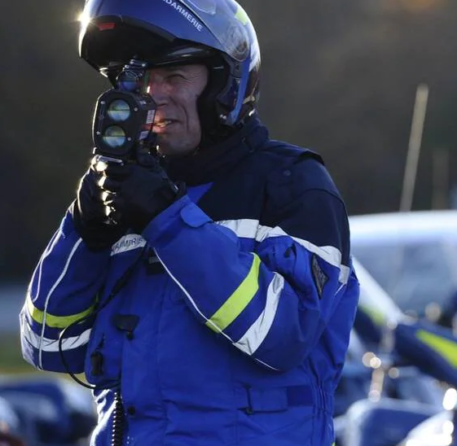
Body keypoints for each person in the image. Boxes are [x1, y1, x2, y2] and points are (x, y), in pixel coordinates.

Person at [19, 1, 360, 445]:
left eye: (174, 77)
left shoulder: (292, 185)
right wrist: (85, 230)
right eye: (139, 79)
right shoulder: (123, 194)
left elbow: (282, 334)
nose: (153, 95)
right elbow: (48, 346)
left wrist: (166, 219)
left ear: (225, 87)